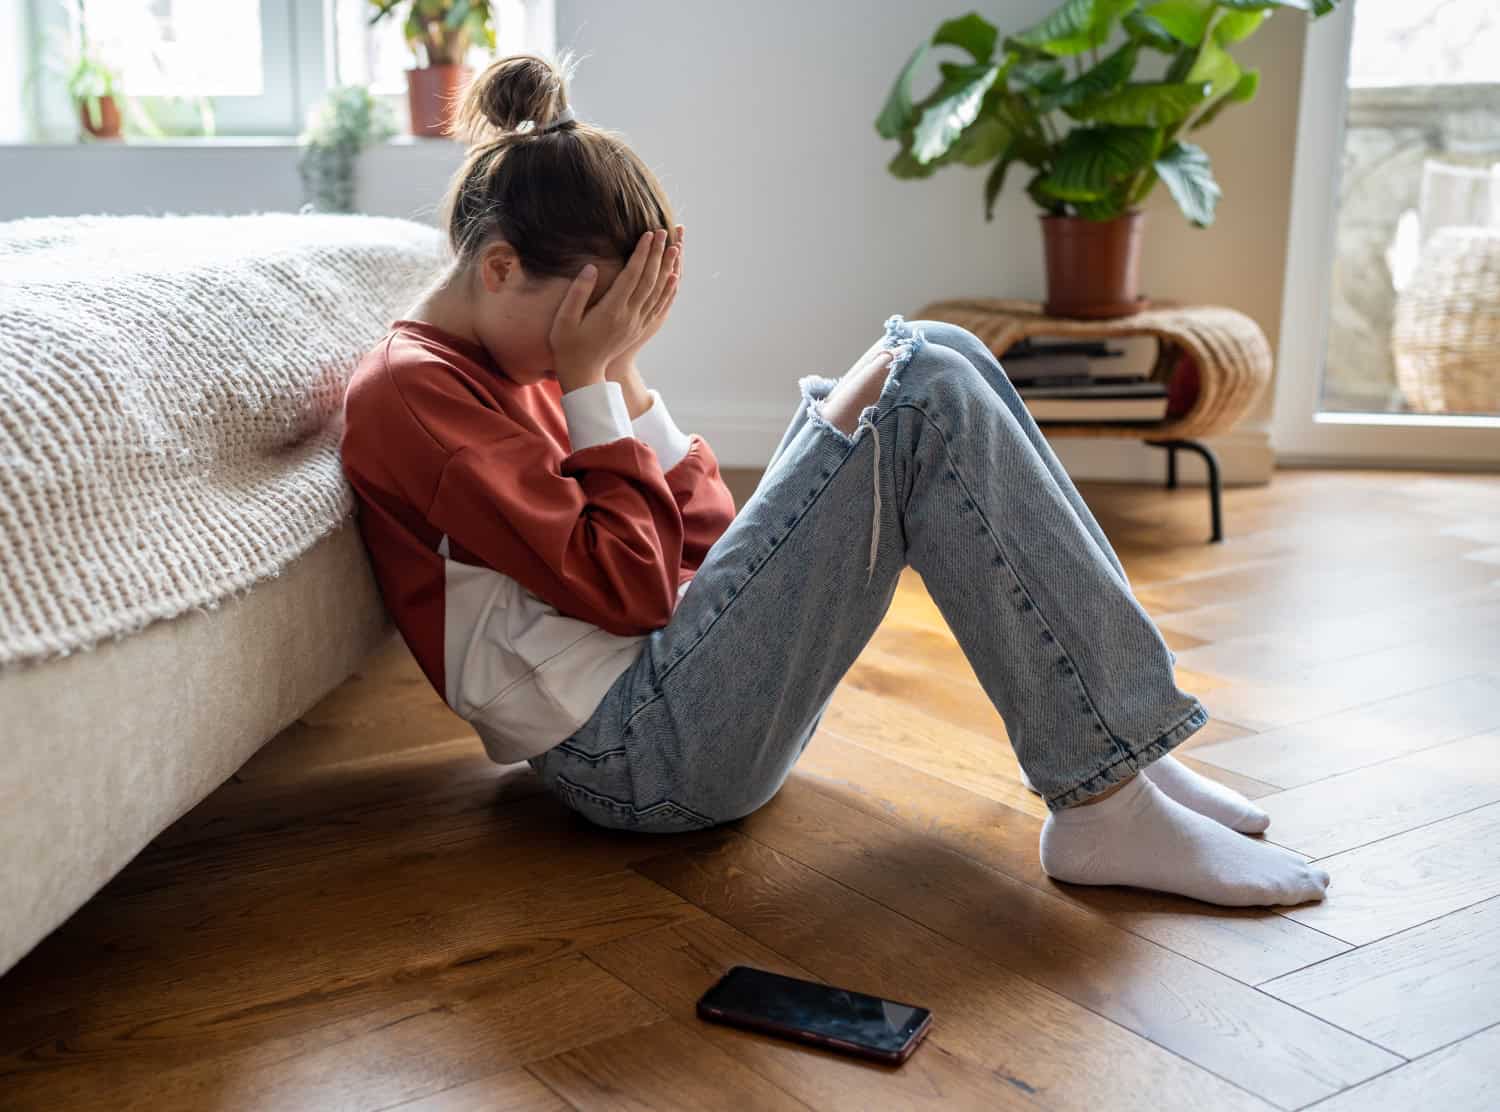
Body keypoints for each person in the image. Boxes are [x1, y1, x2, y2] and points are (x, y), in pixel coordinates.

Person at [339, 52, 1330, 909]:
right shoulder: (420, 393)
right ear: (500, 268)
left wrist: (623, 373)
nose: (587, 345)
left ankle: (1123, 753)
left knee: (933, 352)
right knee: (923, 383)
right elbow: (634, 588)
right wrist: (591, 377)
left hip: (671, 703)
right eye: (592, 314)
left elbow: (705, 545)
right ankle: (1107, 799)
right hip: (632, 758)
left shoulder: (525, 359)